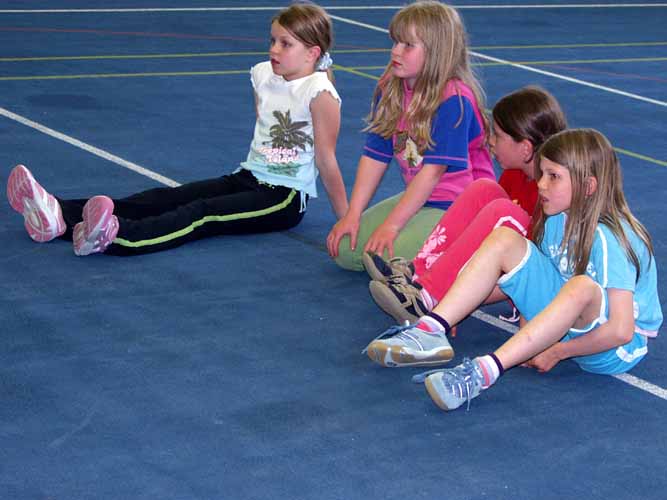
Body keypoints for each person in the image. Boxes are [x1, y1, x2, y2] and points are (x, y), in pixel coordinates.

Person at [7, 2, 347, 256]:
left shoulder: (319, 92)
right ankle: (59, 214)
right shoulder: (263, 75)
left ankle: (118, 236)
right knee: (168, 197)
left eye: (285, 44)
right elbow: (265, 126)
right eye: (273, 40)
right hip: (247, 177)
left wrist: (346, 219)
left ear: (312, 53)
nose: (273, 49)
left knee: (203, 214)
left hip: (282, 198)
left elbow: (327, 161)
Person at [367, 129, 662, 412]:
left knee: (581, 286)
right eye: (543, 173)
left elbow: (621, 331)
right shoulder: (555, 219)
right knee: (507, 240)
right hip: (571, 323)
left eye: (553, 177)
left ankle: (482, 373)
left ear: (588, 187)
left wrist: (558, 352)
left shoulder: (610, 238)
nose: (541, 184)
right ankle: (430, 329)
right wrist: (527, 337)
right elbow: (529, 277)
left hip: (612, 349)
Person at [364, 87, 567, 325]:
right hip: (515, 266)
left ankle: (429, 296)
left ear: (525, 148)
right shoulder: (513, 176)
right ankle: (417, 273)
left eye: (497, 136)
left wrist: (456, 301)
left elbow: (527, 265)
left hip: (543, 285)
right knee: (484, 189)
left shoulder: (554, 195)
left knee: (504, 211)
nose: (489, 142)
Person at [327, 1, 493, 271]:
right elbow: (375, 155)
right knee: (346, 251)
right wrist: (352, 215)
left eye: (407, 45)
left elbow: (432, 174)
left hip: (460, 204)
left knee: (383, 260)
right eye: (395, 42)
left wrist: (392, 225)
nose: (395, 51)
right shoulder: (390, 89)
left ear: (436, 53)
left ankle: (470, 245)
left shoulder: (454, 100)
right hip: (423, 198)